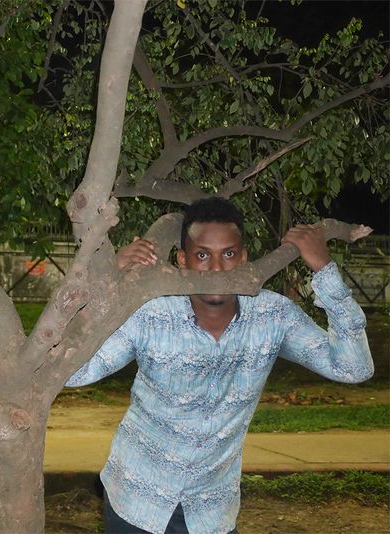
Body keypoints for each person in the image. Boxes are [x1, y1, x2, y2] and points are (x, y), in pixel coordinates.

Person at [65, 197, 373, 534]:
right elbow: (75, 372)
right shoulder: (151, 315)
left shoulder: (272, 317)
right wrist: (106, 283)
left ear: (243, 258)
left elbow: (353, 367)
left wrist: (325, 271)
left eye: (228, 254)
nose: (215, 268)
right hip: (136, 501)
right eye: (202, 255)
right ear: (182, 261)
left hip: (211, 511)